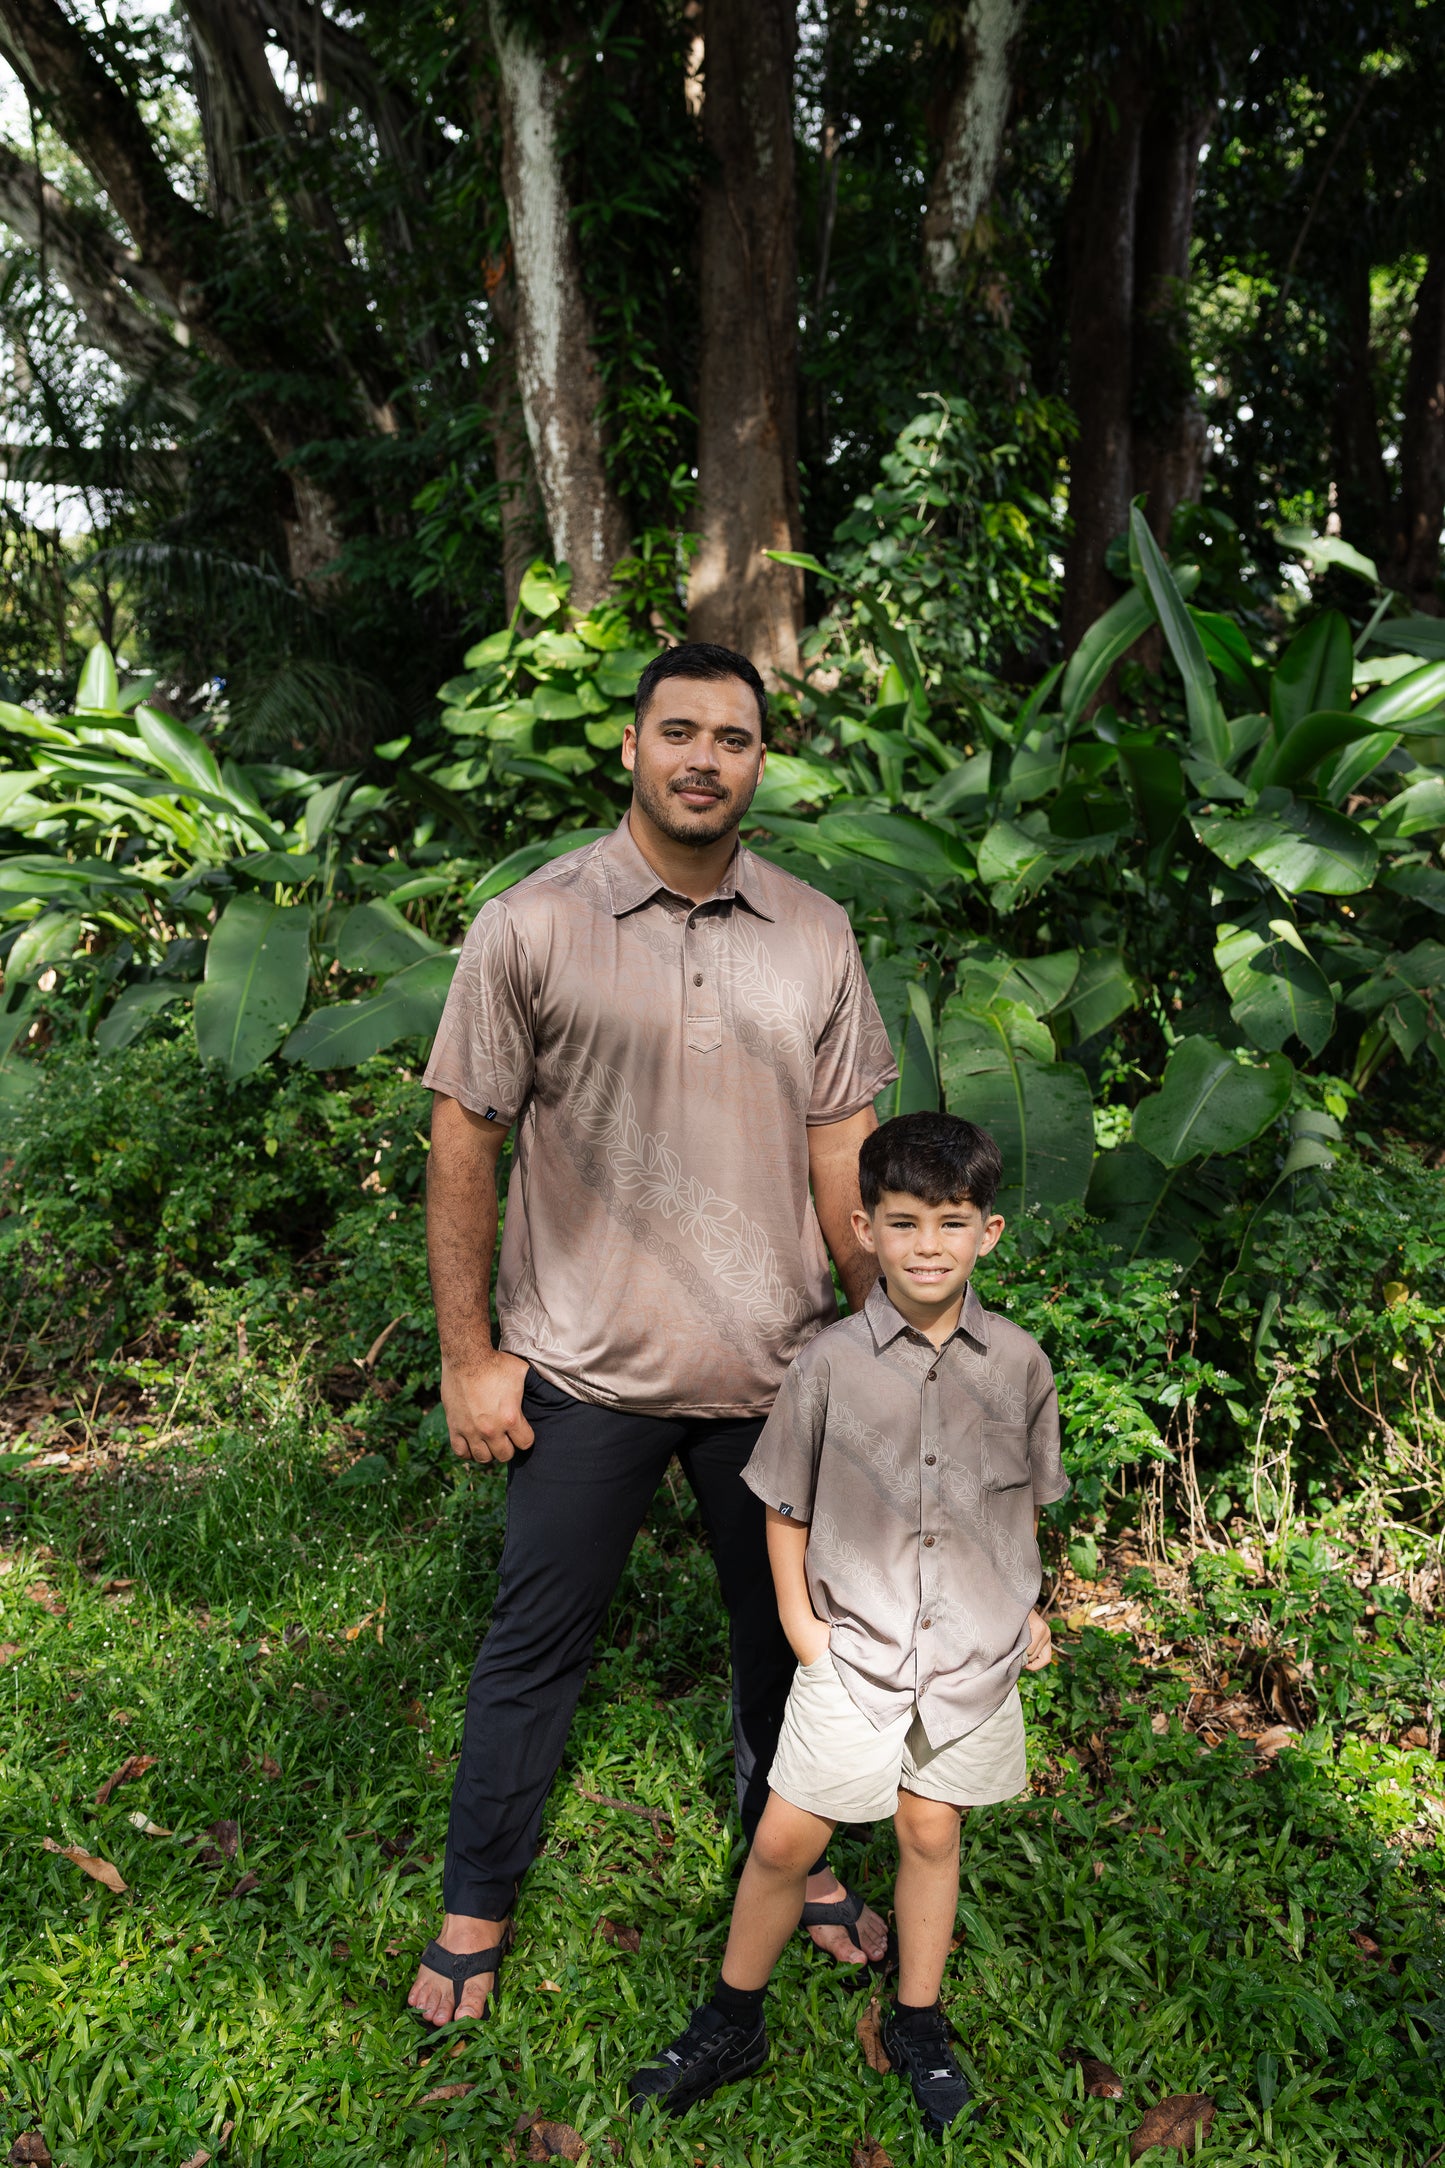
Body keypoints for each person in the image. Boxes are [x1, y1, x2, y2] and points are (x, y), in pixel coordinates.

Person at [406, 641, 901, 2031]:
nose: (703, 757)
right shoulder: (536, 924)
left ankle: (791, 1868)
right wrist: (468, 1354)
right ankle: (473, 1910)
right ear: (628, 749)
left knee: (789, 1646)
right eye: (675, 731)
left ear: (760, 763)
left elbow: (842, 1152)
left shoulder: (813, 931)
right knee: (533, 1645)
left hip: (777, 1372)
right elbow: (464, 1138)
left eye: (731, 738)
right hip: (585, 1370)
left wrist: (888, 1352)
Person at [627, 1110, 1068, 2139]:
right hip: (854, 1644)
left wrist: (1032, 1605)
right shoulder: (828, 1364)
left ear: (985, 1234)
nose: (926, 1244)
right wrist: (797, 1618)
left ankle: (917, 2020)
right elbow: (783, 1502)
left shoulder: (1018, 1364)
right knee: (783, 1837)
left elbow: (1026, 1504)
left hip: (966, 1650)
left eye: (949, 1222)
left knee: (928, 1824)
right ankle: (731, 2018)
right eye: (902, 1220)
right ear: (863, 1226)